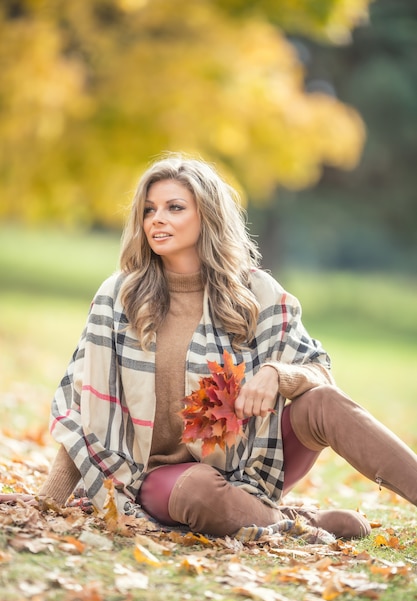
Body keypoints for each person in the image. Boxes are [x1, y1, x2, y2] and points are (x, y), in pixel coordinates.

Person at [6, 154, 417, 541]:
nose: (157, 220)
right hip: (156, 477)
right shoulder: (120, 297)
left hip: (253, 463)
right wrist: (49, 502)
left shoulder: (253, 291)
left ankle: (268, 509)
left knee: (323, 400)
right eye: (149, 210)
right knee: (198, 490)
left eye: (174, 208)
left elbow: (319, 369)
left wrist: (277, 374)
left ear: (208, 216)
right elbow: (85, 411)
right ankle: (295, 525)